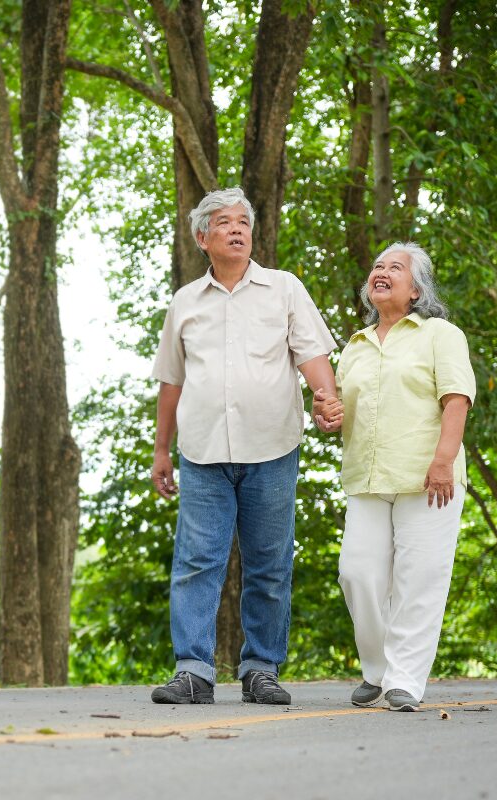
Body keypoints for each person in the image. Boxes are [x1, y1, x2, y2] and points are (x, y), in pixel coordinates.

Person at [149, 187, 339, 705]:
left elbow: (312, 352)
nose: (236, 229)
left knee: (270, 563)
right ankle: (193, 671)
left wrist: (326, 399)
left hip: (273, 446)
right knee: (196, 562)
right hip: (203, 452)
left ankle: (260, 669)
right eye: (224, 222)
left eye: (243, 222)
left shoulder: (284, 289)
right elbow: (171, 380)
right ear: (202, 238)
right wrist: (162, 450)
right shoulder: (185, 302)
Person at [314, 241, 475, 712]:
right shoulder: (355, 345)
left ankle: (403, 679)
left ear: (416, 289)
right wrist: (329, 415)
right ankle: (379, 670)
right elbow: (341, 411)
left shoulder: (439, 334)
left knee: (419, 579)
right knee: (356, 573)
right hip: (366, 476)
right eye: (378, 266)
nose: (381, 272)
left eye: (395, 268)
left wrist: (444, 460)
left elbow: (457, 398)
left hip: (429, 477)